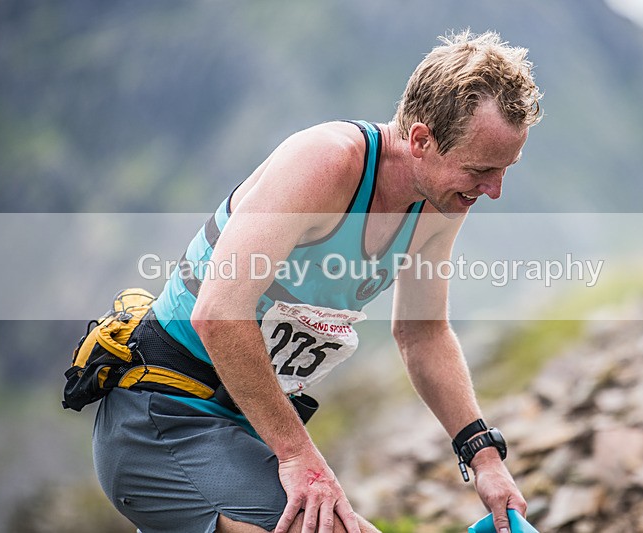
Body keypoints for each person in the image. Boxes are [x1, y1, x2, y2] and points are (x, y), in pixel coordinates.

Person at [92, 29, 542, 533]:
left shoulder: (441, 201)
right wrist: (300, 458)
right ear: (421, 141)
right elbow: (219, 313)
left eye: (505, 169)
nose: (494, 190)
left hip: (242, 429)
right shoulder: (325, 162)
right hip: (161, 414)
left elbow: (424, 334)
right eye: (481, 169)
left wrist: (484, 457)